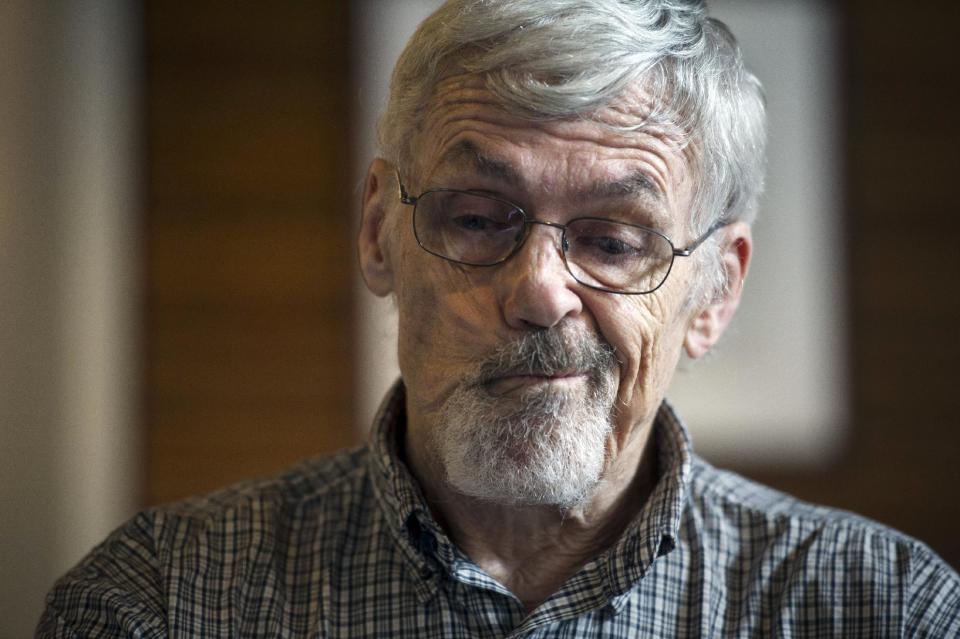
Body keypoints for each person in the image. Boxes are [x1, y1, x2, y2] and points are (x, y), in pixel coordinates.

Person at [37, 0, 959, 636]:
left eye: (614, 240)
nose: (538, 290)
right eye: (478, 218)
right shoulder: (158, 604)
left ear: (714, 292)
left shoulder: (883, 608)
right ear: (377, 232)